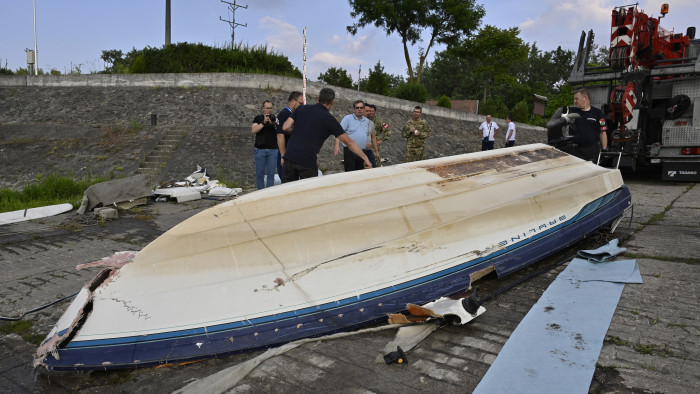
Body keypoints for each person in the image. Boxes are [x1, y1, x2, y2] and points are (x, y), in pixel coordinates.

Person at [282, 88, 370, 182]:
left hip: (289, 157)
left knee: (286, 192)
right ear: (332, 102)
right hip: (307, 161)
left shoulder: (302, 108)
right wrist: (365, 158)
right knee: (309, 192)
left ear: (318, 98)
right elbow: (349, 143)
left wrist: (299, 130)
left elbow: (285, 127)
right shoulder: (329, 119)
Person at [560, 88, 608, 162]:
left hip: (592, 151)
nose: (574, 101)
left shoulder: (598, 113)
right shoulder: (570, 111)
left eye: (576, 99)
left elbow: (602, 132)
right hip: (575, 150)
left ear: (585, 98)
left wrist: (604, 149)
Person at [334, 100, 372, 171]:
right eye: (357, 108)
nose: (359, 109)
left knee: (361, 173)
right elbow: (339, 132)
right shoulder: (347, 118)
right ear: (354, 109)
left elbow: (367, 134)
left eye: (361, 107)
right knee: (350, 172)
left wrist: (368, 142)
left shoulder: (366, 121)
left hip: (362, 151)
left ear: (364, 109)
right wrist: (337, 145)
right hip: (350, 151)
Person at [251, 100, 278, 189]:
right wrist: (263, 122)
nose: (269, 110)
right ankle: (260, 195)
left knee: (271, 175)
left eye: (270, 108)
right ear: (263, 108)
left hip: (273, 150)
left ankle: (269, 195)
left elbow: (281, 131)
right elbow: (254, 130)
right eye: (267, 108)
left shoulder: (275, 118)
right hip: (260, 150)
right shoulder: (258, 118)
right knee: (260, 175)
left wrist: (273, 123)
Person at [276, 91, 303, 174]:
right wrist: (283, 155)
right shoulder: (286, 114)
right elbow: (280, 135)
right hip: (287, 155)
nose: (301, 106)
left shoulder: (291, 114)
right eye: (300, 103)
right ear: (293, 101)